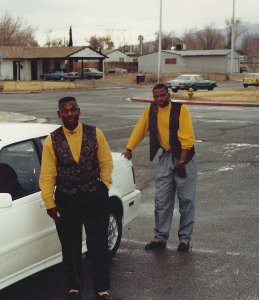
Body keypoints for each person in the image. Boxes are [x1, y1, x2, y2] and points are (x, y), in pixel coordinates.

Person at [39, 96, 114, 300]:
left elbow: (106, 161)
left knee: (98, 245)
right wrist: (49, 202)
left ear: (79, 111)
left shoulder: (95, 133)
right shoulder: (51, 140)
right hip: (67, 199)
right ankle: (74, 287)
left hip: (94, 197)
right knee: (70, 247)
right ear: (59, 114)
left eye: (73, 110)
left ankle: (102, 288)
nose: (70, 114)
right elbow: (47, 174)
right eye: (65, 111)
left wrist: (104, 185)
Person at [122, 83, 197, 252]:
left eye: (162, 95)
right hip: (166, 157)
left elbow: (187, 138)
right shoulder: (152, 110)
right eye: (156, 96)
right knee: (162, 200)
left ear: (168, 94)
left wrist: (181, 163)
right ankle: (160, 237)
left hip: (185, 157)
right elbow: (141, 128)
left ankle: (185, 239)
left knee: (186, 200)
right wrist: (129, 148)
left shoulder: (180, 109)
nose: (159, 99)